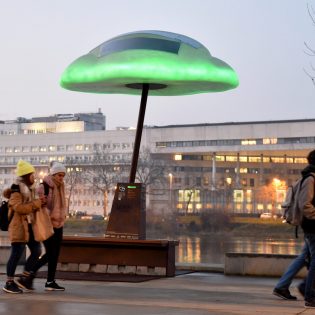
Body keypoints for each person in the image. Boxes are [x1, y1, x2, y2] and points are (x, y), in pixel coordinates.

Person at [19, 161, 67, 291]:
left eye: (63, 175)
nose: (61, 178)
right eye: (59, 175)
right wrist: (42, 202)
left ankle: (50, 281)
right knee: (50, 253)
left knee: (55, 254)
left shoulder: (61, 186)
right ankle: (28, 276)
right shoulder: (44, 186)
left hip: (59, 224)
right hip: (47, 224)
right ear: (53, 174)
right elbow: (37, 204)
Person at [2, 160, 43, 294]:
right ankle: (8, 283)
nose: (34, 176)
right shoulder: (16, 189)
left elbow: (31, 207)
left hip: (29, 226)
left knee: (36, 250)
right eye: (32, 174)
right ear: (26, 175)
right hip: (18, 226)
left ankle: (24, 278)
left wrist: (39, 203)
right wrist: (36, 204)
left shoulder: (30, 189)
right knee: (16, 254)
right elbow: (18, 208)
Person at [299, 149, 315, 308]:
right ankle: (309, 294)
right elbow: (305, 204)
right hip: (312, 227)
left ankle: (307, 289)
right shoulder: (310, 179)